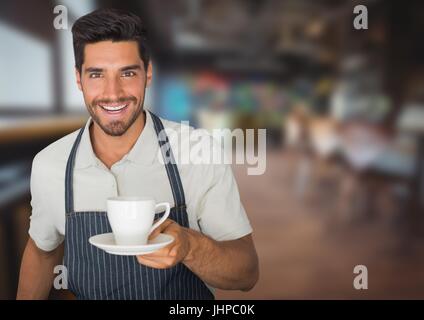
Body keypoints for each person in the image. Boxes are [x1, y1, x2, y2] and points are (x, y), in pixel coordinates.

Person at [16, 8, 258, 300]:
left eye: (127, 73)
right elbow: (43, 253)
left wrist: (189, 247)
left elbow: (246, 271)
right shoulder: (50, 165)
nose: (113, 92)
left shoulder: (198, 152)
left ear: (149, 73)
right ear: (78, 79)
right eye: (96, 75)